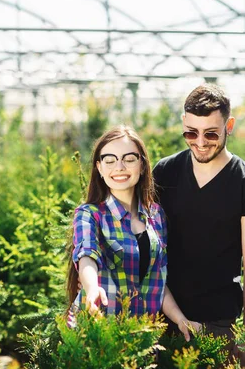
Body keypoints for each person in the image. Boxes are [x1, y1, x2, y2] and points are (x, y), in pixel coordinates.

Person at [153, 84, 245, 366]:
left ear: (229, 125)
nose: (200, 142)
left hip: (218, 324)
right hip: (162, 317)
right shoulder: (164, 173)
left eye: (211, 133)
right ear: (183, 123)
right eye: (191, 133)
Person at [66, 125, 200, 341]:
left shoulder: (156, 216)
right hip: (97, 337)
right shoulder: (90, 215)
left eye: (129, 159)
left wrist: (180, 319)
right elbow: (86, 255)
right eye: (109, 160)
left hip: (141, 339)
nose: (119, 167)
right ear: (99, 168)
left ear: (143, 165)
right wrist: (91, 288)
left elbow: (158, 279)